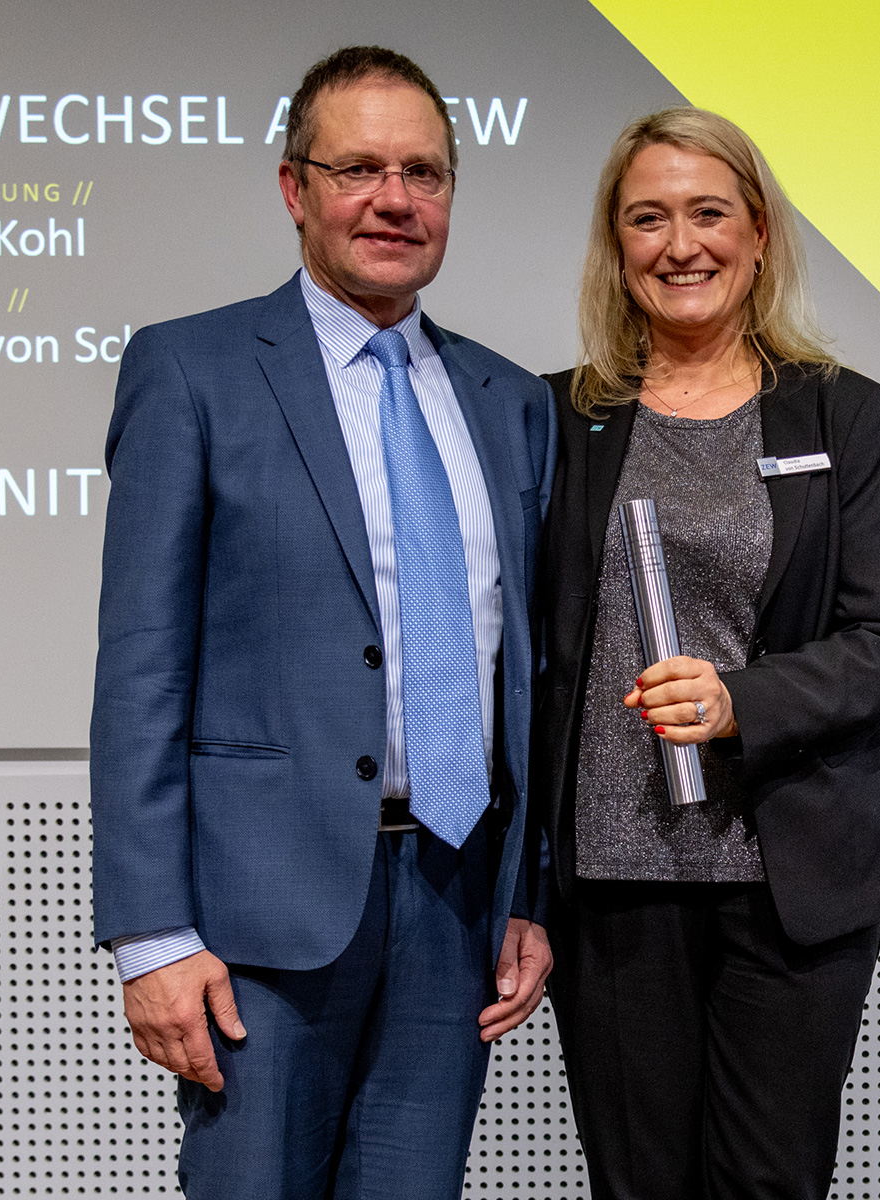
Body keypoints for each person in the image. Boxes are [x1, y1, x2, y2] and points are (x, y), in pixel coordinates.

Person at [89, 45, 555, 1200]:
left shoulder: (510, 400)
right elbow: (143, 668)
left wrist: (526, 895)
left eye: (423, 173)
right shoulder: (190, 370)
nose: (394, 200)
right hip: (259, 918)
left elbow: (529, 674)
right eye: (358, 169)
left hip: (454, 902)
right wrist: (152, 935)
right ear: (295, 189)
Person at [535, 106, 880, 1200]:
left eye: (710, 213)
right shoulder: (556, 419)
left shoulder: (848, 415)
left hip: (791, 873)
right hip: (613, 876)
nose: (682, 245)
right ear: (617, 245)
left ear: (759, 233)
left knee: (771, 1184)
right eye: (648, 218)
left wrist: (740, 702)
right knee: (639, 1185)